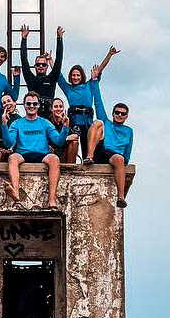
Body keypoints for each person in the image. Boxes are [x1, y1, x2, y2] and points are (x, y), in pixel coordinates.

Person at [3, 91, 67, 208]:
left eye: (34, 104)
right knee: (12, 157)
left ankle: (52, 200)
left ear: (38, 105)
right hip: (23, 153)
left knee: (54, 159)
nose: (31, 106)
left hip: (42, 154)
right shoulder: (17, 123)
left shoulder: (45, 122)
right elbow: (9, 143)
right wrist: (4, 125)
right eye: (28, 104)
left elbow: (59, 141)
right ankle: (15, 192)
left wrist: (65, 127)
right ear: (24, 105)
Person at [58, 45, 120, 161]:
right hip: (74, 122)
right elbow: (59, 76)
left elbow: (99, 70)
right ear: (70, 77)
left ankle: (88, 160)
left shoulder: (89, 85)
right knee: (72, 142)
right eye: (73, 75)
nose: (75, 77)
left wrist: (109, 55)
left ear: (82, 76)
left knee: (88, 148)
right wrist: (51, 61)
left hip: (87, 121)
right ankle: (71, 164)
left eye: (78, 75)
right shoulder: (68, 88)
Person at [89, 79, 133, 208]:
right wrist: (94, 82)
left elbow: (128, 151)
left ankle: (120, 197)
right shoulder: (107, 122)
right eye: (117, 112)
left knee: (120, 159)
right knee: (98, 123)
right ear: (113, 113)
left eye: (122, 113)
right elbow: (98, 101)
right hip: (101, 149)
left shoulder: (129, 131)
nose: (119, 115)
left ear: (126, 116)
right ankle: (89, 157)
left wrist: (124, 162)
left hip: (115, 156)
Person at [20, 24, 64, 118]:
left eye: (43, 64)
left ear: (47, 66)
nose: (41, 66)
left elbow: (59, 60)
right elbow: (24, 61)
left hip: (50, 116)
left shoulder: (52, 78)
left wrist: (59, 39)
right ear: (35, 66)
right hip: (34, 115)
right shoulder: (30, 78)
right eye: (38, 64)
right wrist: (24, 39)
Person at [49, 97, 80, 164]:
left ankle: (70, 167)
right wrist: (64, 138)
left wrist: (66, 125)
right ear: (51, 109)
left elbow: (76, 135)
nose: (58, 109)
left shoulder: (69, 119)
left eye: (60, 106)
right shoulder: (47, 121)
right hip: (52, 152)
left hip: (65, 150)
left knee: (74, 142)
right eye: (56, 106)